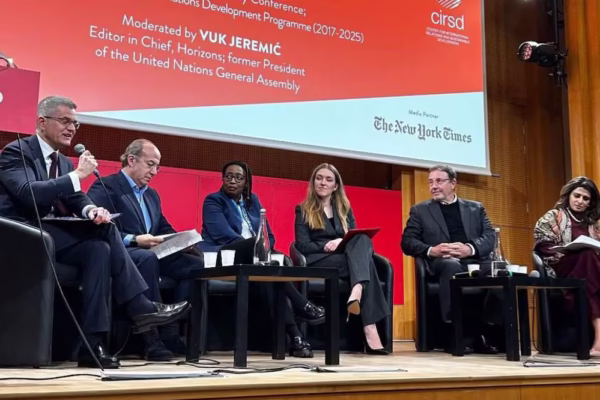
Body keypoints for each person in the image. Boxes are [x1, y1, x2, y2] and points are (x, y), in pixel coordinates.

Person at [0, 96, 190, 368]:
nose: (71, 128)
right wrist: (78, 175)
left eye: (75, 124)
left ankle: (92, 346)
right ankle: (141, 307)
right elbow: (28, 193)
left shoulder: (64, 162)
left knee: (99, 248)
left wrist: (92, 210)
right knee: (106, 233)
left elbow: (75, 198)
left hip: (51, 236)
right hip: (22, 235)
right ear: (42, 122)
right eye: (65, 121)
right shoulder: (16, 151)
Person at [87, 139, 204, 360]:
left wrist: (182, 240)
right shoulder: (106, 186)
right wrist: (134, 240)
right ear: (132, 160)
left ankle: (171, 331)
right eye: (150, 165)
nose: (154, 172)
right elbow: (97, 228)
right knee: (146, 258)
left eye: (157, 167)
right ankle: (151, 340)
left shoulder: (151, 195)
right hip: (122, 252)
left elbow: (162, 227)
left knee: (194, 264)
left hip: (151, 252)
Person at [199, 161, 324, 358]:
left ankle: (296, 338)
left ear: (246, 182)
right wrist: (257, 247)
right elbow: (222, 234)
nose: (232, 181)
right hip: (226, 256)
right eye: (228, 176)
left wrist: (261, 249)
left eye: (238, 177)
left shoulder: (253, 201)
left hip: (255, 260)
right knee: (263, 257)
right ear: (222, 179)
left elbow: (269, 236)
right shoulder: (214, 201)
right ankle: (301, 305)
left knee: (273, 277)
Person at [401, 164, 500, 354]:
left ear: (453, 183)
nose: (434, 186)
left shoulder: (475, 208)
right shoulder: (420, 211)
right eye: (431, 182)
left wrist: (469, 249)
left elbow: (489, 236)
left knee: (502, 270)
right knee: (451, 266)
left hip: (474, 260)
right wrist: (433, 250)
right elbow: (407, 242)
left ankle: (488, 329)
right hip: (443, 261)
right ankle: (454, 333)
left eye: (439, 181)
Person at [294, 163, 390, 355]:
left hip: (344, 258)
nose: (323, 182)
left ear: (336, 186)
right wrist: (326, 245)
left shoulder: (345, 209)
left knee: (363, 239)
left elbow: (354, 239)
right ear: (313, 182)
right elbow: (302, 245)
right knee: (367, 265)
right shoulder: (303, 209)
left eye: (328, 179)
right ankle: (369, 326)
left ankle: (357, 289)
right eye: (319, 178)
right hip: (318, 260)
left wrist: (340, 241)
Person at [534, 176, 600, 356]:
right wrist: (568, 251)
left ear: (590, 203)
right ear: (568, 195)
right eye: (577, 196)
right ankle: (599, 339)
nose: (580, 201)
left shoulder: (594, 225)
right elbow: (543, 245)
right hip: (561, 265)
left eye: (585, 198)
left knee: (589, 259)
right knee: (587, 256)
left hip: (588, 270)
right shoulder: (554, 216)